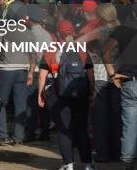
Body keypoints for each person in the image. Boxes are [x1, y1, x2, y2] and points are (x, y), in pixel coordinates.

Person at [103, 0, 137, 170]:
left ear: (133, 12)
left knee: (130, 127)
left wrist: (112, 75)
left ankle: (127, 164)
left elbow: (106, 52)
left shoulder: (123, 29)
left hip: (129, 83)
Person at [38, 20, 96, 170]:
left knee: (63, 130)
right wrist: (91, 91)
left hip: (59, 95)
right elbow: (90, 74)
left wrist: (40, 94)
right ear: (73, 33)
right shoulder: (82, 50)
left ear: (58, 33)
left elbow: (43, 75)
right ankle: (87, 165)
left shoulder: (52, 50)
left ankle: (68, 165)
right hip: (80, 94)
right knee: (81, 129)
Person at [77, 3, 121, 163]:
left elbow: (78, 42)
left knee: (100, 117)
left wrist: (91, 53)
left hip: (101, 75)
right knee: (117, 116)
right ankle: (117, 153)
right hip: (119, 76)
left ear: (101, 16)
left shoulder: (101, 31)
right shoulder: (121, 29)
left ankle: (103, 154)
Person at [0, 1, 35, 145]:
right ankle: (18, 137)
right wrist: (31, 72)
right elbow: (33, 55)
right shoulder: (29, 32)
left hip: (5, 69)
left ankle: (3, 135)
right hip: (23, 70)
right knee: (20, 104)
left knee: (0, 103)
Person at [25, 5, 53, 142]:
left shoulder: (32, 34)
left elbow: (33, 56)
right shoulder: (46, 34)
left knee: (31, 104)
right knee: (43, 103)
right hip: (46, 72)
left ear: (29, 19)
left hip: (35, 71)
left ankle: (30, 132)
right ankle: (44, 132)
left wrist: (30, 72)